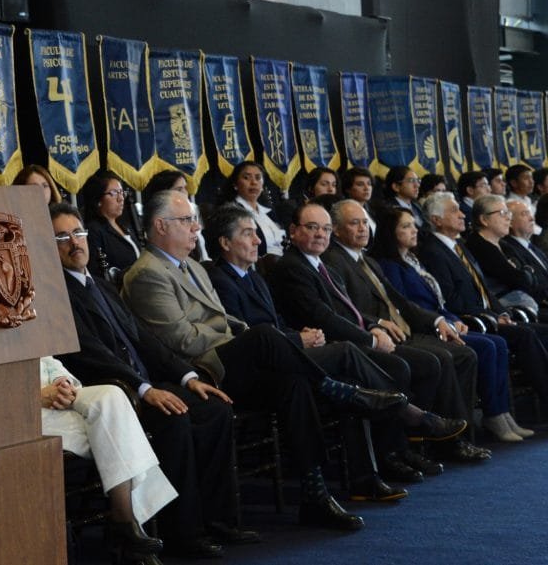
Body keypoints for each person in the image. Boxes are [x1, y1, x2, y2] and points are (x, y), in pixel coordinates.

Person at [122, 191, 411, 532]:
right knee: (263, 335)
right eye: (187, 221)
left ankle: (314, 494)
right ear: (159, 225)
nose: (195, 228)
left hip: (234, 360)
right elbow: (181, 339)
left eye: (194, 220)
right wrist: (243, 340)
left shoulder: (194, 268)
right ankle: (338, 389)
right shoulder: (146, 273)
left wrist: (243, 336)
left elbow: (227, 320)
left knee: (294, 382)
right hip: (202, 370)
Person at [204, 204, 450, 496]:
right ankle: (406, 415)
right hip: (260, 367)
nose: (259, 240)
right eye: (249, 234)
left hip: (290, 354)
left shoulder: (255, 277)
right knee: (347, 356)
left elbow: (278, 323)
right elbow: (245, 334)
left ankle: (369, 473)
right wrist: (298, 340)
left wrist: (301, 336)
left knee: (356, 386)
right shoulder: (221, 279)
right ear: (224, 242)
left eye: (257, 234)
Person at [50, 202, 250, 558]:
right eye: (62, 237)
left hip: (146, 381)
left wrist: (187, 377)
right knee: (176, 417)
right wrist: (144, 388)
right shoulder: (55, 293)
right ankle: (182, 534)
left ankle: (220, 522)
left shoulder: (99, 284)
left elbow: (144, 339)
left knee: (212, 407)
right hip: (116, 389)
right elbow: (88, 353)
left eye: (78, 233)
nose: (74, 243)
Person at [323, 200, 487, 462]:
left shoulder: (366, 260)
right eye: (354, 223)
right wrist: (375, 323)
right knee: (438, 359)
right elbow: (345, 310)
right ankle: (430, 438)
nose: (363, 228)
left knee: (464, 353)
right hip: (375, 338)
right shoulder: (333, 261)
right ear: (337, 230)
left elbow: (400, 301)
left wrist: (437, 321)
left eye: (365, 222)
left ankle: (458, 436)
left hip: (402, 331)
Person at [370, 206, 529, 442]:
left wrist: (452, 319)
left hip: (441, 322)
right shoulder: (389, 266)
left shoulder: (412, 259)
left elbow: (438, 301)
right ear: (390, 232)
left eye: (414, 224)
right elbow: (404, 306)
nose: (414, 230)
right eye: (406, 226)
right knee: (486, 346)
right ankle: (481, 422)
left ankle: (501, 413)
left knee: (496, 343)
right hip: (422, 329)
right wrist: (441, 321)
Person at [417, 192, 548, 423]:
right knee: (524, 334)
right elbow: (450, 299)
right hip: (468, 320)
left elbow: (484, 289)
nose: (461, 214)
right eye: (454, 210)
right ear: (436, 220)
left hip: (489, 315)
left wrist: (501, 313)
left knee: (540, 330)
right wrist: (489, 317)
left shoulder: (459, 246)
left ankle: (513, 412)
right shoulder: (433, 251)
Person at [40, 356, 176, 563]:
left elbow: (47, 357)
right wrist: (35, 394)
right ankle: (127, 524)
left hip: (59, 393)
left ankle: (127, 528)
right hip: (20, 407)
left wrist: (62, 381)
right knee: (117, 430)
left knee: (112, 395)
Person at [465, 194, 541, 315]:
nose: (508, 218)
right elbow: (519, 280)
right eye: (502, 213)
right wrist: (525, 272)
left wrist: (524, 273)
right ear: (484, 220)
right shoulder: (479, 247)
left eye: (508, 213)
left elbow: (529, 276)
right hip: (505, 310)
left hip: (525, 303)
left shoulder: (504, 244)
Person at [218, 161, 287, 258]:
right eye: (246, 178)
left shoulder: (269, 211)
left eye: (258, 178)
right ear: (235, 184)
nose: (254, 182)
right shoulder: (232, 212)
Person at [81, 170, 142, 279]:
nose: (121, 198)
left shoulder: (125, 225)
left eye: (121, 192)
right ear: (98, 200)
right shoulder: (94, 230)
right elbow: (98, 272)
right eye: (113, 193)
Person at [505, 163, 540, 235]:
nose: (531, 182)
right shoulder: (510, 204)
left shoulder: (528, 199)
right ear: (514, 183)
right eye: (526, 178)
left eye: (531, 178)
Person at [341, 166, 377, 236]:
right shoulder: (343, 212)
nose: (367, 188)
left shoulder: (375, 209)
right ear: (348, 189)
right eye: (360, 184)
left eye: (369, 184)